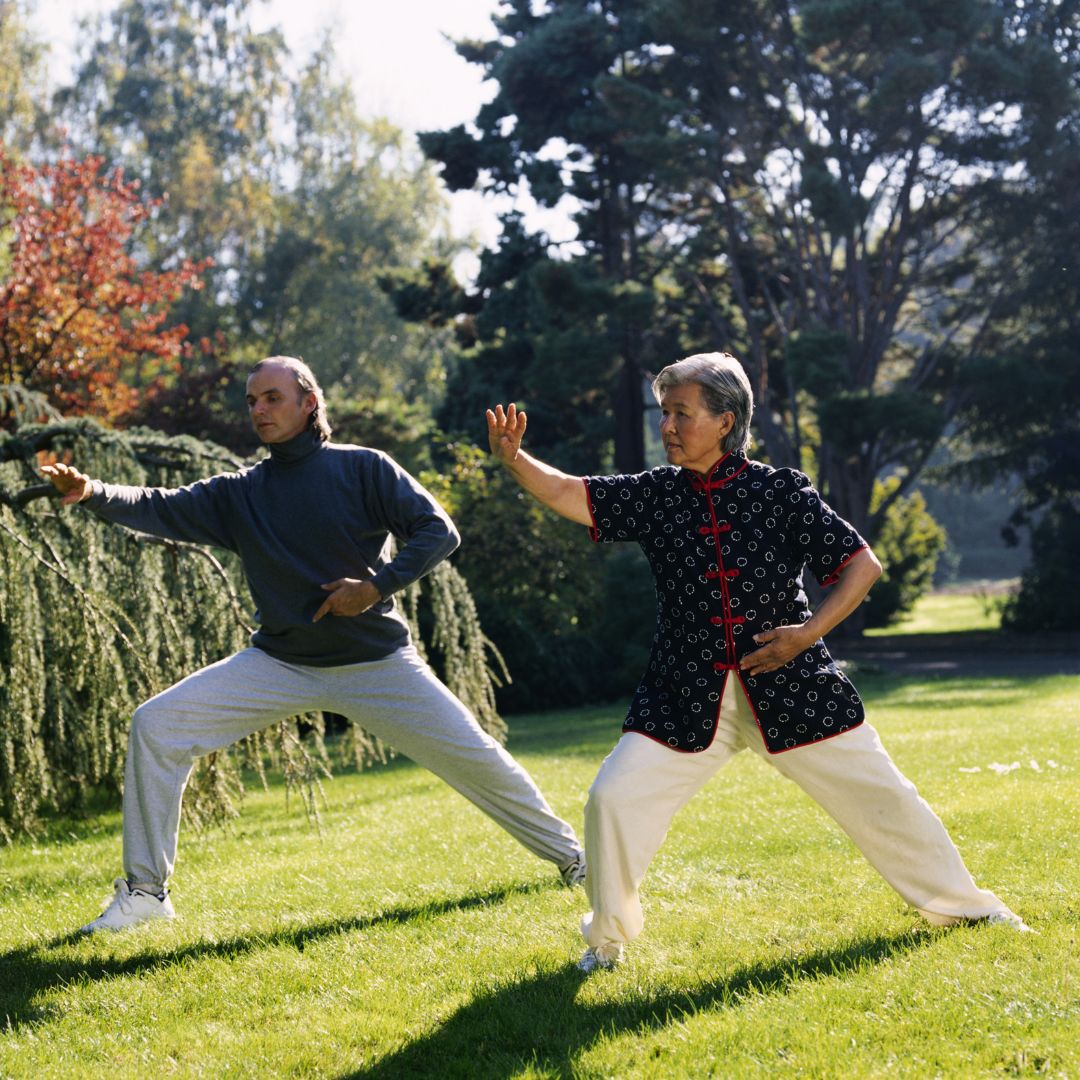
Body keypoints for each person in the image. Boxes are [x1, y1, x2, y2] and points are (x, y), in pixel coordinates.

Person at [486, 351, 1029, 973]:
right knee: (612, 799)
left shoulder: (780, 491)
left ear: (725, 420)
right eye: (663, 412)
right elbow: (569, 493)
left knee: (885, 798)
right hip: (686, 694)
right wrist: (515, 460)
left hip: (793, 687)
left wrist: (806, 634)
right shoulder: (657, 494)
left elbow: (861, 566)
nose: (667, 426)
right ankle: (605, 943)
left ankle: (968, 908)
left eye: (681, 413)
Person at [43, 356, 584, 934]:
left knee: (477, 759)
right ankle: (147, 892)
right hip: (280, 663)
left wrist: (375, 587)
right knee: (156, 725)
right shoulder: (240, 493)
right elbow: (160, 505)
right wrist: (91, 490)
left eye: (272, 398)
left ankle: (575, 860)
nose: (258, 410)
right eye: (252, 401)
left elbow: (438, 530)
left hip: (377, 664)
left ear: (309, 403)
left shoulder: (364, 468)